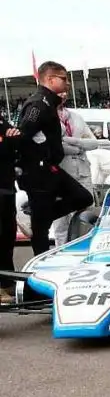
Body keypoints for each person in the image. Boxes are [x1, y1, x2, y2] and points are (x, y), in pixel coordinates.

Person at [14, 62, 94, 258]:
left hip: (49, 168)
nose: (67, 84)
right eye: (63, 79)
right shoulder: (39, 104)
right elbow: (23, 134)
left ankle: (36, 216)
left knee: (83, 197)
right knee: (41, 231)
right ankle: (39, 265)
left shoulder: (49, 103)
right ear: (50, 80)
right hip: (37, 171)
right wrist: (33, 159)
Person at [52, 100, 100, 247]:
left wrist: (72, 141)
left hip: (83, 172)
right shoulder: (47, 118)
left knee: (85, 215)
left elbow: (94, 143)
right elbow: (54, 146)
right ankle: (61, 251)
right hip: (61, 174)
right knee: (61, 221)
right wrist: (78, 148)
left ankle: (84, 248)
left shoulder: (76, 117)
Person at [0, 118, 20, 304]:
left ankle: (6, 280)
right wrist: (8, 140)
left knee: (8, 234)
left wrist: (10, 139)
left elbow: (16, 137)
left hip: (6, 185)